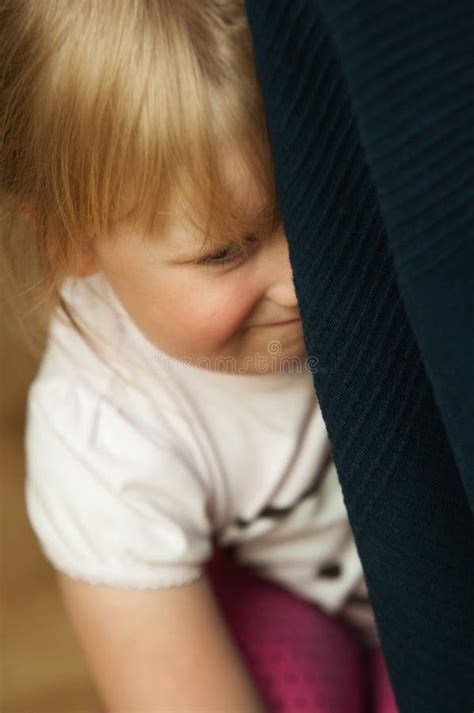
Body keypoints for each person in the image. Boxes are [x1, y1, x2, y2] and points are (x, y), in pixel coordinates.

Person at [0, 1, 399, 711]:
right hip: (300, 612)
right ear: (72, 240)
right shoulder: (100, 430)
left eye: (314, 207)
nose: (301, 283)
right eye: (226, 250)